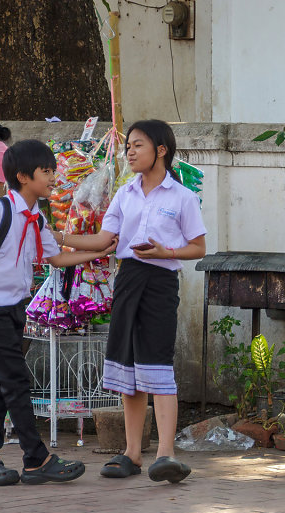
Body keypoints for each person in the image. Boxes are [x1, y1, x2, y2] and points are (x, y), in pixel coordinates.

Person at [0, 139, 116, 486]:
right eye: (46, 171)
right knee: (16, 381)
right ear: (22, 176)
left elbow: (57, 258)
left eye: (52, 170)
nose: (53, 176)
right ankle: (37, 457)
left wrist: (98, 255)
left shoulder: (35, 219)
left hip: (14, 309)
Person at [59, 120, 206, 483]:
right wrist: (56, 236)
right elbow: (104, 241)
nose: (131, 151)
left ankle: (166, 453)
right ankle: (132, 453)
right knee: (127, 368)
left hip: (160, 282)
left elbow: (198, 247)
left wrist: (164, 251)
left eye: (139, 145)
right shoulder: (124, 194)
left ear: (161, 150)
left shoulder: (182, 197)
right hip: (126, 281)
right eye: (129, 146)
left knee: (158, 364)